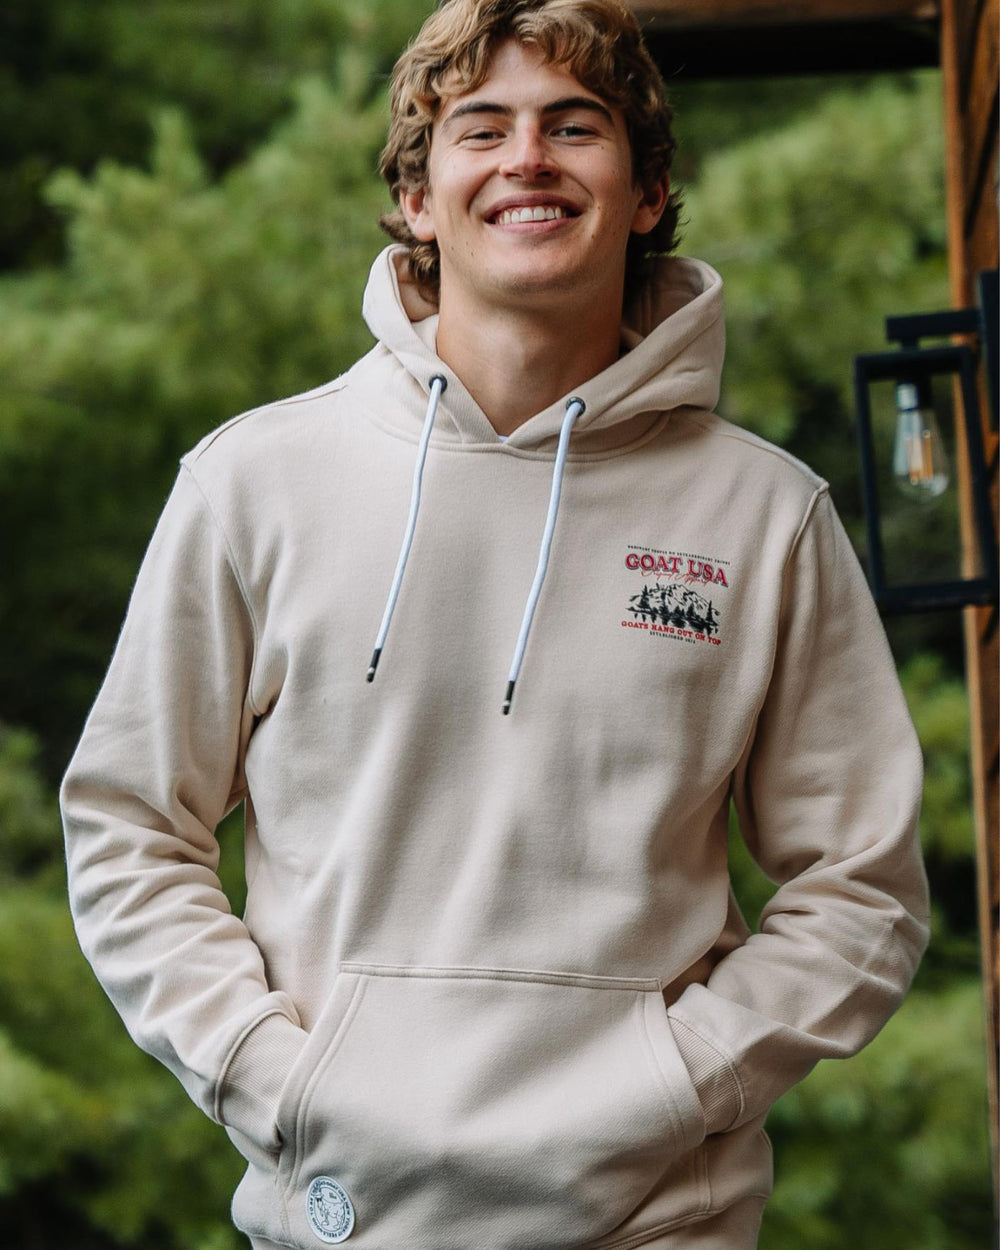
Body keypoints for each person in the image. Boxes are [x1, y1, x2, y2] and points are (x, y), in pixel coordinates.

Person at [60, 1, 931, 1247]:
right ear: (419, 195)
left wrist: (677, 1080)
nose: (527, 158)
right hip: (340, 1212)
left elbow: (862, 887)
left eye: (573, 126)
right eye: (482, 129)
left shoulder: (763, 515)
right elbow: (130, 825)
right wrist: (270, 1070)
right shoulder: (255, 481)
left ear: (645, 193)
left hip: (654, 1218)